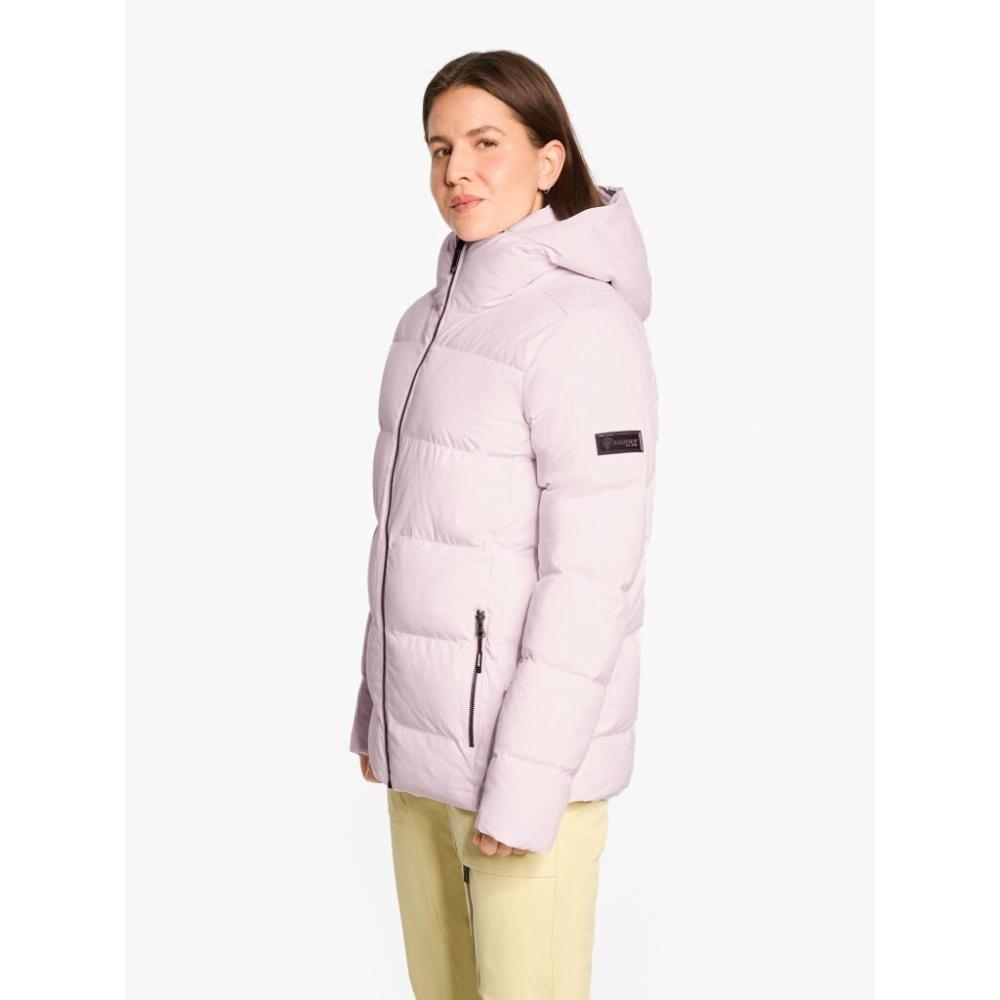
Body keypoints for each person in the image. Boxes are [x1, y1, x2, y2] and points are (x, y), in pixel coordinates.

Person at [349, 49, 658, 999]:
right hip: (423, 758)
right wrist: (378, 712)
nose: (458, 171)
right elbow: (407, 540)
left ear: (549, 161)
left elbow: (592, 579)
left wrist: (525, 787)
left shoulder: (582, 328)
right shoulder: (426, 321)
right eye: (440, 147)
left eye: (487, 143)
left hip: (527, 778)